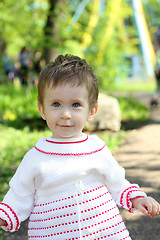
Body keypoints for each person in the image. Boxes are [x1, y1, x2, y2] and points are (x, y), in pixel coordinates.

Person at [0, 54, 159, 239]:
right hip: (53, 233)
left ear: (91, 111)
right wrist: (5, 216)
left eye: (75, 105)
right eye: (56, 104)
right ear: (42, 109)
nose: (65, 114)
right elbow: (20, 193)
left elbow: (116, 182)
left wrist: (137, 199)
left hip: (102, 231)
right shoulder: (36, 157)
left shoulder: (96, 148)